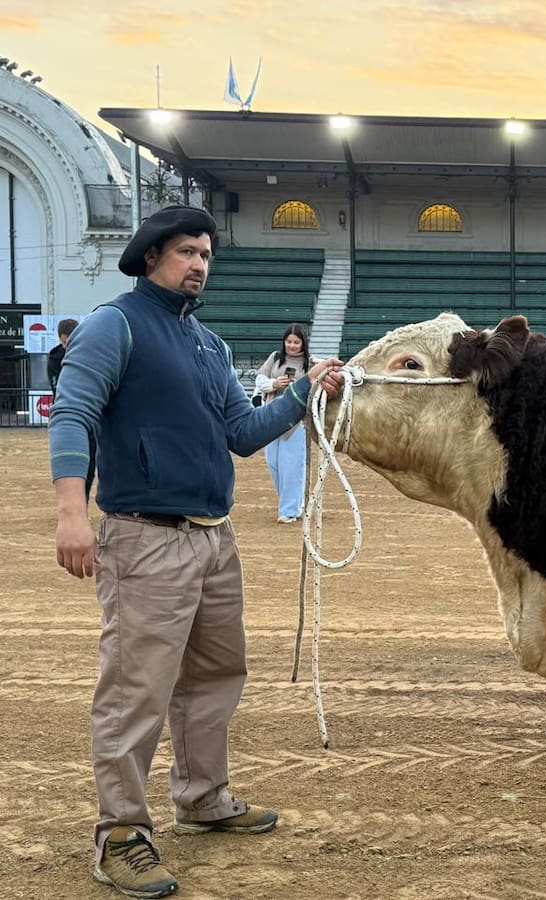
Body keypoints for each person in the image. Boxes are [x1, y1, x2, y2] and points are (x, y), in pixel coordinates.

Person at [48, 205, 344, 899]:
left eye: (206, 254)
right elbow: (73, 414)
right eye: (186, 251)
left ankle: (202, 798)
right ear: (152, 256)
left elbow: (243, 432)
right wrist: (71, 513)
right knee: (136, 689)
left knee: (216, 676)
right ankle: (120, 835)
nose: (200, 265)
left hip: (214, 538)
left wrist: (304, 391)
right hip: (143, 537)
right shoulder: (113, 324)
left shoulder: (208, 345)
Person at [255, 324, 314, 523]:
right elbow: (260, 378)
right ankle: (292, 504)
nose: (292, 346)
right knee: (274, 463)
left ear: (303, 343)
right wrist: (274, 384)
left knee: (291, 465)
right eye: (289, 341)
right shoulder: (275, 358)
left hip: (296, 421)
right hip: (271, 415)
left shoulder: (310, 363)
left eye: (296, 342)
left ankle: (289, 510)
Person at [47, 317, 78, 399]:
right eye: (64, 342)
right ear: (59, 339)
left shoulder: (89, 354)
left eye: (71, 342)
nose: (67, 346)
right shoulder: (54, 359)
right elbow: (56, 388)